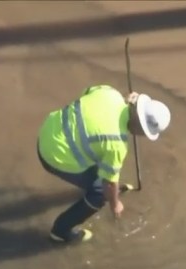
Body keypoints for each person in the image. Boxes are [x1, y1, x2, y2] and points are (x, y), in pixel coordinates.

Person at [36, 84, 171, 243]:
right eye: (144, 132)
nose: (142, 135)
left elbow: (86, 94)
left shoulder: (110, 93)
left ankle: (98, 185)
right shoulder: (117, 144)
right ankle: (61, 230)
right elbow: (109, 184)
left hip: (48, 130)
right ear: (140, 125)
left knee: (101, 159)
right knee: (101, 193)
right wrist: (115, 204)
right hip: (53, 156)